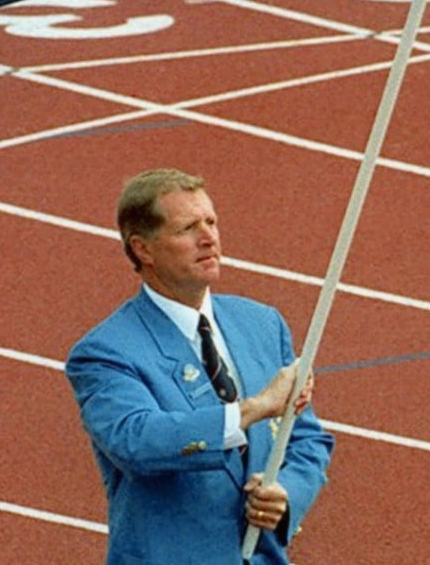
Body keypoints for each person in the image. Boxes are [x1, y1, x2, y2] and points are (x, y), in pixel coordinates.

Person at [66, 168, 334, 565]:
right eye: (188, 228)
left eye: (211, 222)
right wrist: (256, 408)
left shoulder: (262, 324)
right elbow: (138, 442)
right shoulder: (106, 353)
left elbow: (307, 440)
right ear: (143, 249)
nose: (209, 238)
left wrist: (287, 495)